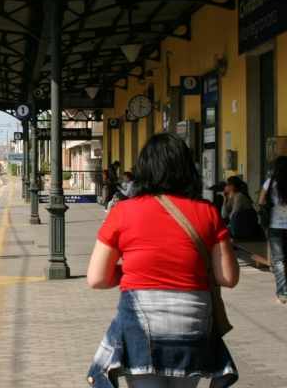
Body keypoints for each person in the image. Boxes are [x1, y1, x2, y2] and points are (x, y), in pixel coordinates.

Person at [87, 133, 239, 388]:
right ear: (186, 169)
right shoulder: (207, 211)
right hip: (193, 323)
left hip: (140, 324)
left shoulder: (123, 211)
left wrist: (135, 271)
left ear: (144, 169)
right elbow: (228, 278)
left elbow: (97, 278)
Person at [258, 156, 287, 304]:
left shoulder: (270, 183)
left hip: (275, 226)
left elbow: (261, 201)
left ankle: (282, 294)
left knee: (278, 260)